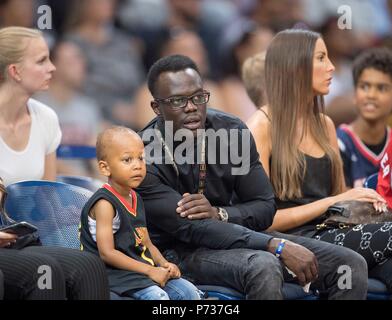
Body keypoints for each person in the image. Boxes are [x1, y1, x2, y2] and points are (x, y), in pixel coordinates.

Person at [136, 54, 368, 300]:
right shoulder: (144, 155)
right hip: (177, 252)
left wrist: (220, 213)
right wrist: (275, 245)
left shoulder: (230, 130)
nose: (191, 107)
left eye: (197, 97)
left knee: (350, 265)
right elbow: (193, 229)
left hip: (236, 235)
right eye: (177, 100)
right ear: (157, 108)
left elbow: (265, 206)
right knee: (264, 265)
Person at [247, 29, 392, 292]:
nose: (332, 67)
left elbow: (339, 197)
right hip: (291, 240)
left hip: (332, 230)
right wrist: (333, 201)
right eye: (321, 58)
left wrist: (363, 198)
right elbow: (262, 220)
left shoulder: (324, 124)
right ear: (296, 66)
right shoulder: (261, 126)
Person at [0, 26, 109, 300]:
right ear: (15, 71)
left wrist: (82, 213)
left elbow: (46, 199)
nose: (52, 68)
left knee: (88, 265)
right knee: (43, 269)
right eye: (41, 61)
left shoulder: (46, 118)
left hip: (21, 238)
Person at [79, 126, 201, 300]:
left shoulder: (136, 197)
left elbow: (146, 243)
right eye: (127, 160)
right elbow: (107, 253)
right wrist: (150, 270)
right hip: (110, 274)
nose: (137, 166)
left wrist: (164, 264)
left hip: (137, 270)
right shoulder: (105, 203)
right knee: (157, 297)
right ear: (105, 168)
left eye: (141, 158)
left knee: (190, 292)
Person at [337, 47, 392, 188]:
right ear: (354, 94)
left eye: (382, 88)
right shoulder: (339, 143)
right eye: (365, 87)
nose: (371, 95)